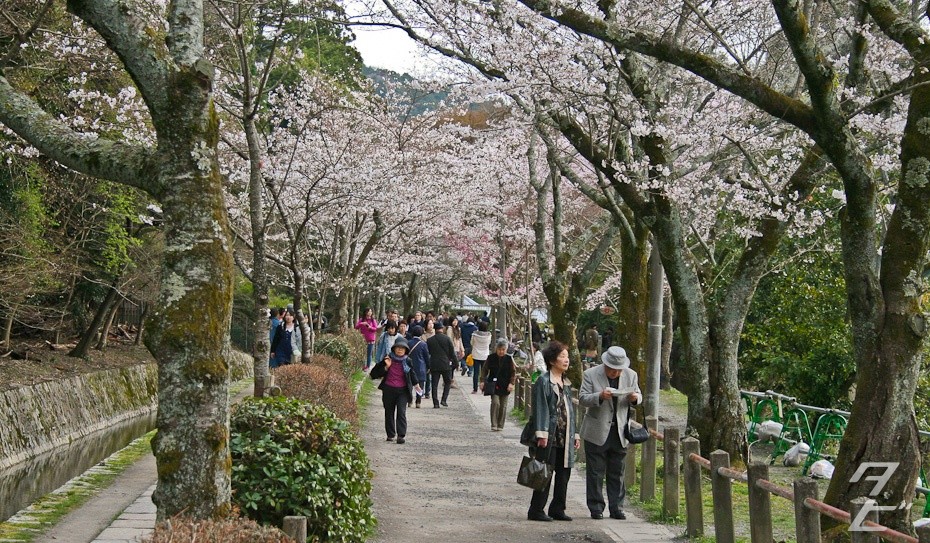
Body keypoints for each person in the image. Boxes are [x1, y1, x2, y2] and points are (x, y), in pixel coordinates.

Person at [578, 346, 642, 520]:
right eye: (612, 369)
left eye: (618, 369)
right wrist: (599, 396)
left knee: (617, 472)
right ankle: (596, 508)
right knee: (595, 472)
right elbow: (583, 398)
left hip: (620, 431)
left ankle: (617, 507)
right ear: (605, 364)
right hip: (596, 430)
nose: (615, 372)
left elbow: (638, 394)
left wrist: (635, 398)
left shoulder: (631, 375)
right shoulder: (591, 374)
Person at [527, 340, 580, 522]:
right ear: (552, 360)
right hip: (549, 434)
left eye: (567, 357)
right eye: (562, 356)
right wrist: (541, 434)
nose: (566, 360)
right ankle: (536, 509)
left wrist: (576, 433)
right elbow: (540, 408)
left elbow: (570, 410)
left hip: (565, 434)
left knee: (564, 473)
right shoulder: (544, 381)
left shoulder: (565, 382)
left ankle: (558, 508)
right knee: (545, 472)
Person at [369, 337, 421, 444]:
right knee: (389, 412)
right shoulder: (387, 359)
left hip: (403, 391)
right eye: (398, 348)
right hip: (388, 389)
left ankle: (401, 435)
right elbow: (374, 374)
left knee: (401, 412)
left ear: (406, 350)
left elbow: (412, 374)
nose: (400, 350)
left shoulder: (408, 361)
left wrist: (416, 385)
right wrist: (386, 367)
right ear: (394, 348)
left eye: (402, 348)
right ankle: (390, 434)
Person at [480, 338, 517, 431]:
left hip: (505, 384)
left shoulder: (509, 359)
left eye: (503, 350)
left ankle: (500, 425)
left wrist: (511, 383)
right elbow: (484, 370)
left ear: (506, 349)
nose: (501, 351)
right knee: (495, 403)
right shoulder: (491, 357)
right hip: (494, 384)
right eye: (499, 349)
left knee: (503, 406)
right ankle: (494, 424)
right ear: (496, 349)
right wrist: (482, 381)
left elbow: (513, 372)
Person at [426, 320, 456, 408]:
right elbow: (452, 352)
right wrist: (456, 363)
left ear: (435, 329)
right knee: (448, 382)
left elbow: (429, 353)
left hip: (434, 363)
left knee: (434, 384)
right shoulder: (447, 339)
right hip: (445, 364)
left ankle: (435, 402)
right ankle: (444, 400)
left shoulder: (430, 340)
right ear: (442, 329)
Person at [407, 326, 431, 407]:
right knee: (420, 385)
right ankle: (418, 401)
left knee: (409, 384)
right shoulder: (423, 344)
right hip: (421, 367)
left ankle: (409, 401)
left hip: (410, 366)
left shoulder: (408, 343)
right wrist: (428, 366)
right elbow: (426, 357)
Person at [470, 321, 492, 394]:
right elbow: (489, 344)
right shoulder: (489, 335)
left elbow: (471, 343)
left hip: (476, 354)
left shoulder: (474, 335)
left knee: (476, 372)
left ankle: (475, 389)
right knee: (484, 373)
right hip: (485, 355)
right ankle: (484, 388)